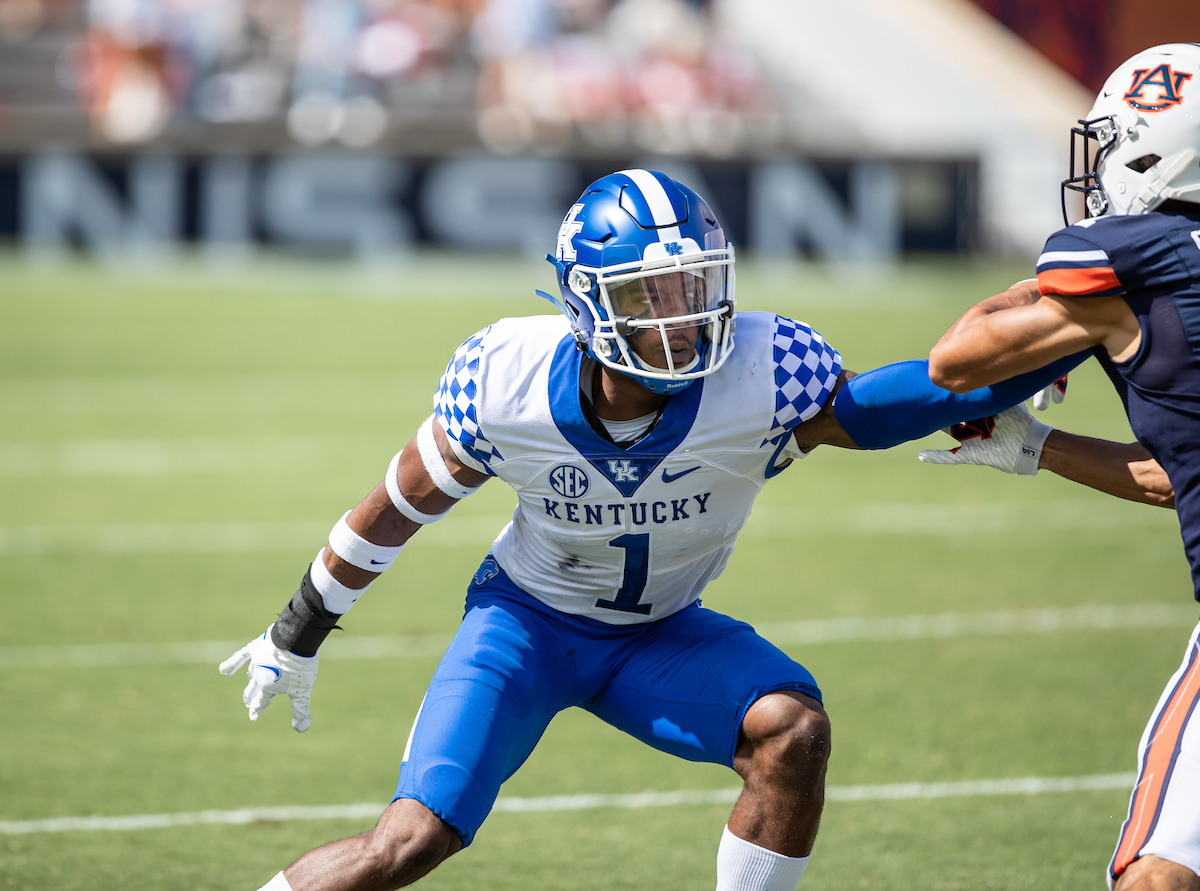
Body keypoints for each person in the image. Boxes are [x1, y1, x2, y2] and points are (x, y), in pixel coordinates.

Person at [221, 168, 1090, 891]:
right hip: (524, 627)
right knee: (405, 845)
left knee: (793, 731)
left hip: (659, 635)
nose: (679, 316)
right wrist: (297, 631)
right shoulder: (506, 380)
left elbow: (883, 407)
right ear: (584, 302)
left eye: (693, 287)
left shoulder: (764, 368)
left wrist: (1040, 350)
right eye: (650, 294)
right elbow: (399, 504)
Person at [924, 43, 1200, 891]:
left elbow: (955, 362)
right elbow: (1177, 477)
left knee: (1157, 875)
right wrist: (1041, 448)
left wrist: (1039, 303)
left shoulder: (1134, 254)